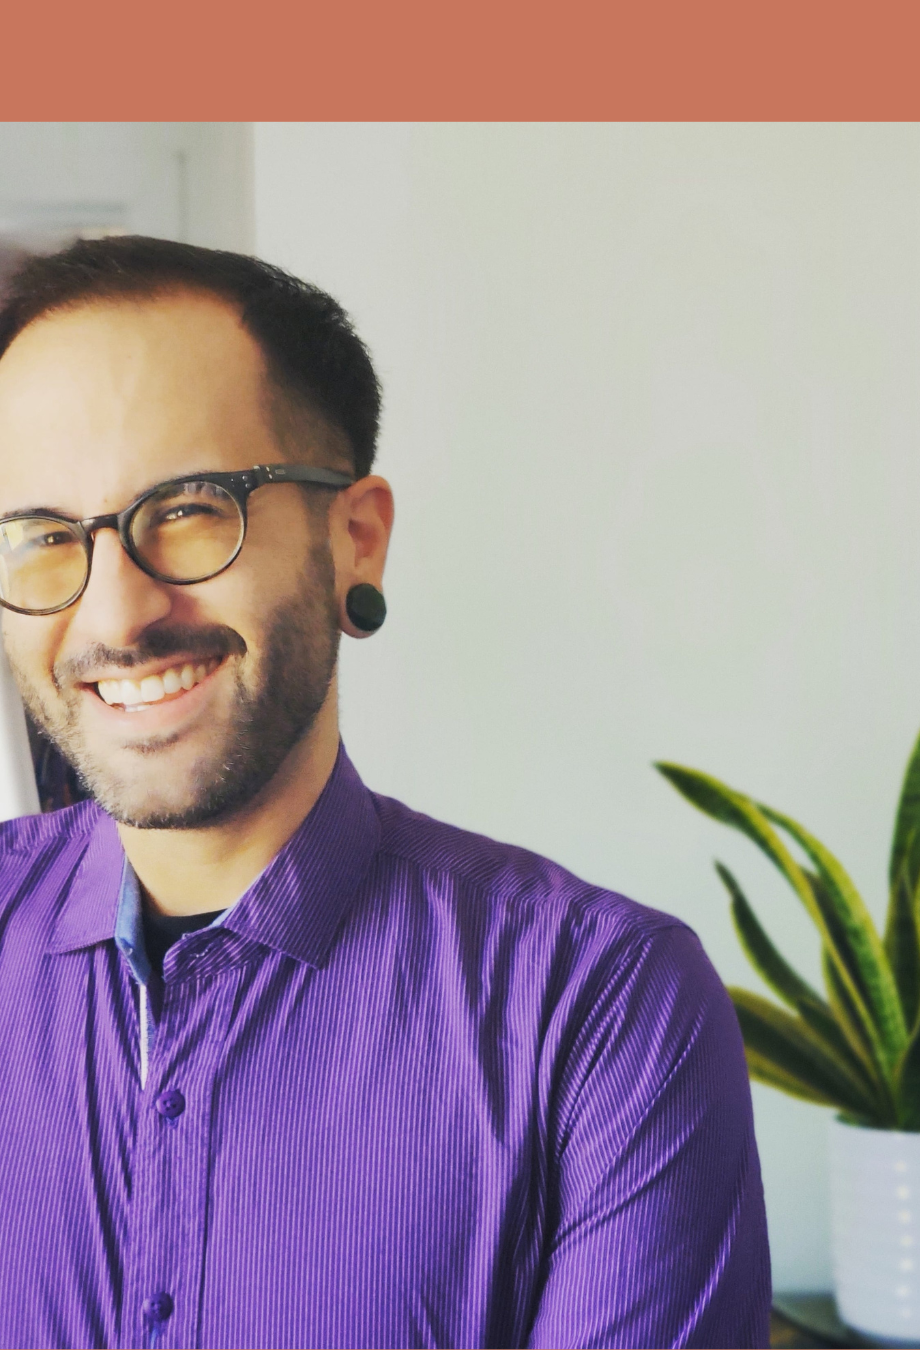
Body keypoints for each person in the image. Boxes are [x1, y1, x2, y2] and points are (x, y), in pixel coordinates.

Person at [0, 236, 770, 1350]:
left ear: (354, 538)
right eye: (45, 539)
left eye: (191, 509)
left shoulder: (601, 1013)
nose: (116, 615)